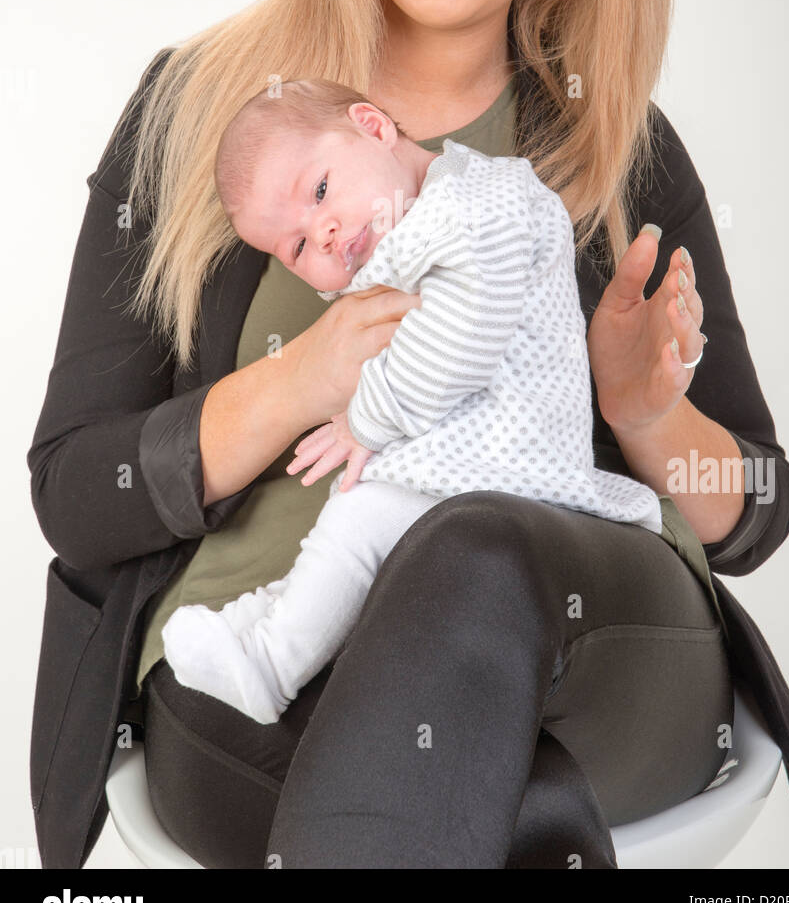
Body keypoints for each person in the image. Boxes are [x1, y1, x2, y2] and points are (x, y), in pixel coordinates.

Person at [28, 0, 789, 870]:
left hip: (592, 645)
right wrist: (303, 381)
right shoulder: (196, 112)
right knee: (502, 819)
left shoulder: (621, 150)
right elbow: (78, 498)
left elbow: (756, 510)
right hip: (270, 673)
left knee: (464, 545)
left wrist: (644, 416)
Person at [160, 78, 668, 724]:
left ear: (373, 126)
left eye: (319, 192)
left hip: (510, 471)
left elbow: (465, 334)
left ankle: (271, 664)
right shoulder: (424, 218)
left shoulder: (479, 204)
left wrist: (364, 422)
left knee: (360, 521)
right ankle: (278, 618)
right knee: (352, 525)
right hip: (474, 464)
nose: (323, 232)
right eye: (294, 247)